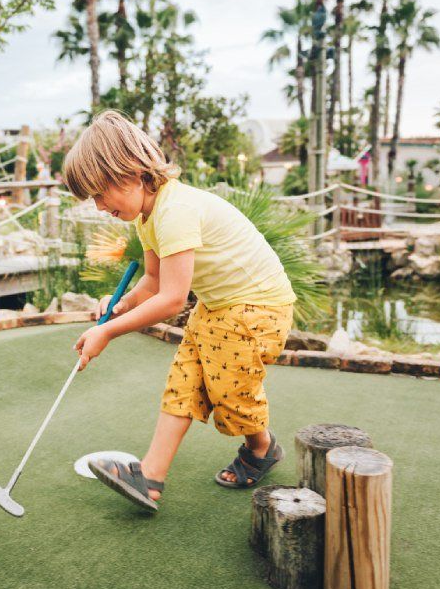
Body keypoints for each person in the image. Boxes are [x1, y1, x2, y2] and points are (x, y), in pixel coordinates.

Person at [64, 110, 296, 512]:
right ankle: (150, 477)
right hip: (220, 306)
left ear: (130, 173)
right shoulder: (148, 217)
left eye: (100, 194)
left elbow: (173, 299)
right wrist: (119, 307)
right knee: (184, 382)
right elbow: (153, 282)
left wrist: (109, 331)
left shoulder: (176, 211)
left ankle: (262, 447)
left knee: (231, 396)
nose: (99, 207)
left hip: (257, 307)